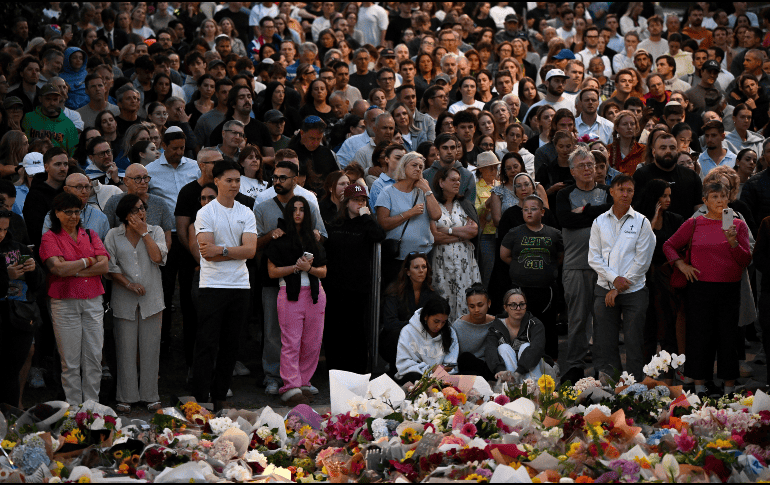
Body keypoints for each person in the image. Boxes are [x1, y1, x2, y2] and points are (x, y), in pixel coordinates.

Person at [663, 181, 752, 396]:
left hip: (729, 289)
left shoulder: (738, 225)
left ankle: (729, 387)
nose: (720, 201)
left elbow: (746, 260)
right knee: (699, 336)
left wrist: (733, 242)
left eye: (723, 197)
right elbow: (669, 245)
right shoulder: (694, 223)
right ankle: (699, 385)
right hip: (699, 288)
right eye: (714, 197)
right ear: (705, 201)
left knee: (728, 338)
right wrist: (682, 264)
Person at [254, 155, 328, 396]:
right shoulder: (263, 203)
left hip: (308, 284)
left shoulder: (308, 202)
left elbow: (321, 235)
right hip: (274, 278)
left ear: (295, 180)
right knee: (275, 332)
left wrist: (313, 241)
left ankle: (301, 379)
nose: (277, 181)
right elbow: (254, 242)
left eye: (282, 178)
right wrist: (272, 235)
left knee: (306, 337)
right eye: (274, 177)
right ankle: (274, 377)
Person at [192, 160, 257, 410]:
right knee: (207, 343)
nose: (234, 185)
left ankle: (220, 396)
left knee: (231, 344)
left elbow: (251, 251)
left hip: (240, 286)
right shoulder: (205, 213)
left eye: (237, 180)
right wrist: (233, 251)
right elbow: (207, 253)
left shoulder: (246, 212)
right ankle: (200, 398)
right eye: (229, 180)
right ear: (216, 181)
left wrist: (224, 249)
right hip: (212, 286)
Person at [39, 192, 110, 405]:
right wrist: (89, 261)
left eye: (77, 211)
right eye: (67, 212)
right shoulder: (50, 237)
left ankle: (92, 407)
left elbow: (105, 266)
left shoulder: (90, 234)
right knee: (70, 362)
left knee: (94, 359)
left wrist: (75, 268)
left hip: (92, 300)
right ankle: (73, 409)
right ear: (57, 214)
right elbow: (58, 269)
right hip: (64, 301)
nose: (73, 216)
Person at [588, 174, 655, 380]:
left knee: (634, 341)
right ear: (612, 192)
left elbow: (642, 261)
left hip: (633, 290)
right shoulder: (599, 221)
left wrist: (619, 287)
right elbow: (594, 257)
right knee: (605, 341)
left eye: (630, 190)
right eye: (621, 190)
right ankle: (610, 386)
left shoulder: (642, 222)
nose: (625, 194)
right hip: (604, 288)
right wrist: (612, 281)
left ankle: (635, 387)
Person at [105, 194, 167, 414]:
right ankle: (126, 396)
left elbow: (159, 258)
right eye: (134, 210)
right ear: (124, 215)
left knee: (151, 349)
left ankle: (151, 395)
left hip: (152, 301)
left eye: (142, 208)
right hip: (124, 300)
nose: (141, 213)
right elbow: (110, 267)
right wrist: (128, 285)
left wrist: (144, 233)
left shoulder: (156, 231)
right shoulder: (113, 234)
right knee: (125, 349)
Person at [265, 195, 326, 405]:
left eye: (302, 209)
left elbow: (324, 271)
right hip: (290, 293)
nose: (298, 213)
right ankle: (290, 386)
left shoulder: (313, 238)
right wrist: (295, 268)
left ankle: (304, 382)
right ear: (288, 213)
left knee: (312, 342)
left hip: (316, 294)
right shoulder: (279, 239)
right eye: (294, 209)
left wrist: (309, 269)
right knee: (291, 342)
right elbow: (272, 272)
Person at [323, 183, 385, 373]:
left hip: (358, 287)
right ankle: (335, 368)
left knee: (357, 330)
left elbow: (379, 235)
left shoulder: (366, 224)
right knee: (335, 328)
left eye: (363, 200)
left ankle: (357, 370)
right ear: (346, 202)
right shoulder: (336, 223)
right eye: (355, 200)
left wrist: (366, 216)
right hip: (335, 285)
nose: (359, 203)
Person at [500, 195, 564, 363]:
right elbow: (505, 255)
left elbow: (559, 258)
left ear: (542, 212)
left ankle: (551, 363)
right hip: (521, 290)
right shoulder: (514, 233)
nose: (528, 212)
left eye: (533, 209)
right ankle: (519, 362)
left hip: (546, 290)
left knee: (548, 326)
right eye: (525, 209)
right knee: (520, 326)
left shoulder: (554, 234)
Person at [635, 179, 685, 367]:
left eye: (669, 195)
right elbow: (638, 248)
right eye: (664, 195)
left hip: (667, 280)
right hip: (644, 280)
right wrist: (652, 222)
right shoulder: (639, 220)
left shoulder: (675, 219)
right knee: (647, 329)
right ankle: (644, 373)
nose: (668, 199)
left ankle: (670, 372)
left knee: (668, 328)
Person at [375, 152, 441, 287]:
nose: (418, 169)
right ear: (403, 167)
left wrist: (427, 190)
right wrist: (409, 213)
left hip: (423, 256)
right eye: (414, 165)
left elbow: (436, 215)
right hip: (398, 257)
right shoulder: (387, 192)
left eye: (421, 167)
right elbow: (383, 223)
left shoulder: (423, 191)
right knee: (396, 294)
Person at [0, 209, 41, 408]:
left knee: (11, 374)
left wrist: (33, 270)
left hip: (20, 318)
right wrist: (6, 275)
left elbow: (37, 285)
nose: (1, 234)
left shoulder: (19, 247)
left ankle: (10, 424)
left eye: (4, 229)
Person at [429, 166, 481, 321]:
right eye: (452, 180)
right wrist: (461, 234)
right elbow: (434, 236)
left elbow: (473, 232)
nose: (457, 183)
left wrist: (449, 231)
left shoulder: (464, 204)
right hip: (442, 263)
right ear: (441, 182)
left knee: (467, 299)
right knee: (444, 301)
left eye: (458, 180)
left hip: (465, 263)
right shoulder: (434, 206)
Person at [633, 133, 704, 219]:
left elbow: (698, 208)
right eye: (663, 148)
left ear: (677, 151)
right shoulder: (641, 175)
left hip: (686, 229)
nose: (668, 151)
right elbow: (635, 209)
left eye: (672, 148)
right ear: (654, 152)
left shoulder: (691, 176)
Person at [485, 288, 550, 382]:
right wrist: (499, 369)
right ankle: (512, 385)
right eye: (513, 305)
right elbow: (489, 349)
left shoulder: (535, 324)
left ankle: (532, 387)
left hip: (533, 369)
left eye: (522, 304)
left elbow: (537, 349)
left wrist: (519, 372)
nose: (518, 308)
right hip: (508, 372)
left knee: (526, 346)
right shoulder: (496, 327)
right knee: (503, 347)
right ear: (505, 307)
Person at [395, 295, 458, 384]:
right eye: (436, 321)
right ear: (426, 316)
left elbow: (452, 364)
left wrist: (442, 370)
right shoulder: (408, 331)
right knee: (415, 378)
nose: (439, 326)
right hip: (415, 377)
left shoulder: (450, 332)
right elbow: (403, 365)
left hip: (441, 377)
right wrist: (430, 370)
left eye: (443, 322)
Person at [22, 83, 78, 157]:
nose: (52, 103)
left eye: (55, 99)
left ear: (59, 100)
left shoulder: (69, 125)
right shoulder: (29, 118)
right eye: (48, 99)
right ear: (40, 99)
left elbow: (74, 153)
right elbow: (22, 146)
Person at [452, 284, 496, 379]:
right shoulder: (458, 326)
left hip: (489, 367)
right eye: (472, 306)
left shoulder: (496, 323)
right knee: (465, 358)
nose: (476, 310)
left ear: (489, 303)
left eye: (480, 305)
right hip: (467, 368)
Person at [608, 110, 645, 175]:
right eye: (625, 124)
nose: (629, 127)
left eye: (632, 124)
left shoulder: (643, 150)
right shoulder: (608, 150)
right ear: (617, 128)